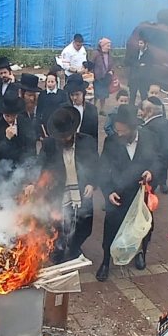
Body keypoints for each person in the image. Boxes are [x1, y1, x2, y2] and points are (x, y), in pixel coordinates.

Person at [96, 105, 160, 281]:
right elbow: (102, 169)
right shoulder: (111, 141)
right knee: (111, 227)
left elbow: (159, 160)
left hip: (141, 192)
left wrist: (151, 173)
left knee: (143, 226)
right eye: (117, 130)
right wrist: (108, 191)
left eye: (122, 131)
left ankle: (141, 253)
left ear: (133, 128)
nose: (119, 134)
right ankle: (106, 261)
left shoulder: (150, 138)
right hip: (118, 194)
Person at [39, 107, 99, 263]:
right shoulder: (49, 144)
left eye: (66, 136)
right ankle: (57, 249)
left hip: (81, 191)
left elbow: (96, 165)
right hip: (58, 191)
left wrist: (92, 183)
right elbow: (41, 164)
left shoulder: (88, 142)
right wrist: (36, 182)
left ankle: (74, 247)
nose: (63, 139)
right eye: (60, 136)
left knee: (84, 224)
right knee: (56, 223)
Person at [0, 96, 34, 171]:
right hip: (4, 168)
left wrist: (29, 163)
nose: (10, 119)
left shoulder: (24, 122)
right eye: (7, 116)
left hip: (22, 167)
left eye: (13, 116)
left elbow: (30, 144)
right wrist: (6, 140)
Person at [138, 96, 168, 194]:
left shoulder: (149, 128)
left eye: (142, 109)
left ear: (150, 112)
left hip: (152, 165)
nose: (140, 112)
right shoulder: (167, 122)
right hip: (164, 157)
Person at [66, 75, 99, 140]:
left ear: (83, 93)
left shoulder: (92, 109)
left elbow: (94, 134)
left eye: (77, 94)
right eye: (72, 95)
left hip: (85, 146)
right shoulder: (64, 109)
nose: (74, 98)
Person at [125, 38, 152, 106]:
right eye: (139, 43)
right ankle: (131, 111)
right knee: (132, 96)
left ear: (146, 44)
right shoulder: (135, 52)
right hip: (134, 77)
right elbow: (128, 61)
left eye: (141, 43)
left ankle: (144, 111)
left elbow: (149, 65)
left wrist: (141, 66)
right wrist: (138, 65)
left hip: (143, 79)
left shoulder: (149, 54)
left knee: (144, 96)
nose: (139, 45)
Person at [92, 37, 115, 115]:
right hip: (97, 78)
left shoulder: (109, 54)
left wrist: (111, 71)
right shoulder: (96, 53)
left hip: (106, 78)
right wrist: (92, 75)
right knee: (95, 93)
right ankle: (93, 108)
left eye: (109, 45)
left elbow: (111, 65)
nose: (109, 47)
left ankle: (102, 109)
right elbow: (91, 64)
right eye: (107, 45)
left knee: (104, 95)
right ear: (103, 45)